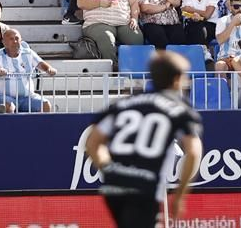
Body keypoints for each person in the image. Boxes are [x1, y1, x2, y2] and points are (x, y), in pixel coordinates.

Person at [83, 49, 204, 228]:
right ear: (177, 79)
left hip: (113, 186)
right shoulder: (180, 110)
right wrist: (180, 195)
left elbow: (92, 142)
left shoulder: (123, 104)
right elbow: (193, 153)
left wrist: (110, 169)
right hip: (144, 187)